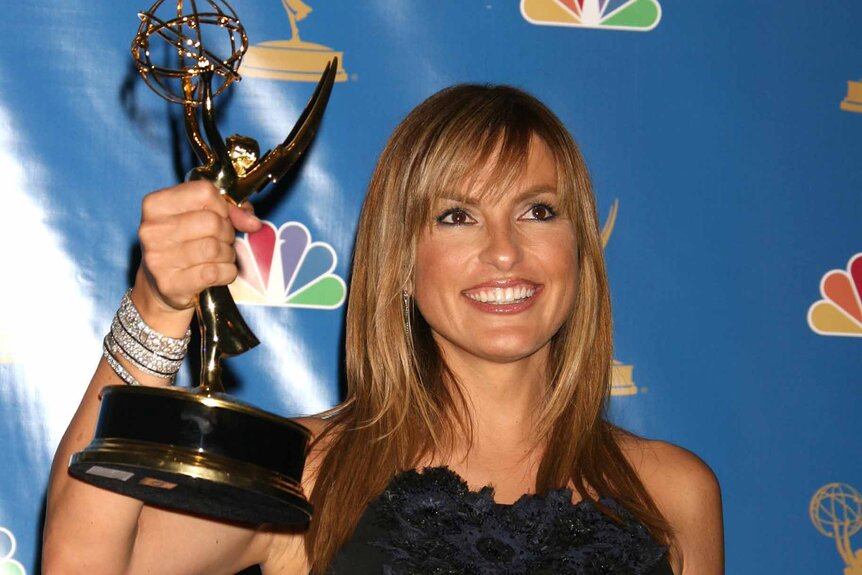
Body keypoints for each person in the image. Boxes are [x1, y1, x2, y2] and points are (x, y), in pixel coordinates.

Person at [42, 84, 723, 574]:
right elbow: (82, 563)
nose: (506, 251)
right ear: (401, 261)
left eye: (538, 210)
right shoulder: (308, 473)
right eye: (456, 216)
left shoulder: (672, 491)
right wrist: (159, 307)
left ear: (579, 247)